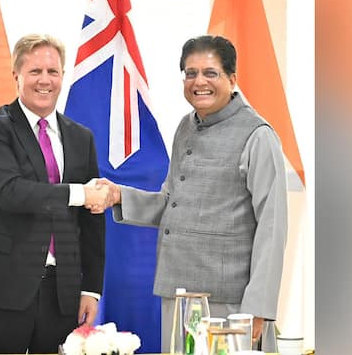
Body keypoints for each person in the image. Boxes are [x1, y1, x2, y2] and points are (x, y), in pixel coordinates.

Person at [95, 35, 288, 351]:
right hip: (177, 293)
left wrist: (259, 307)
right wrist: (119, 195)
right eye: (191, 73)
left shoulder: (258, 135)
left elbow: (273, 226)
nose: (199, 82)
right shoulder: (185, 127)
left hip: (229, 301)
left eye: (211, 73)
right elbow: (172, 204)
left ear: (232, 79)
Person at [0, 33, 111, 354]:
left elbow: (92, 221)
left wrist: (91, 289)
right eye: (35, 71)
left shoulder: (81, 137)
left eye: (52, 72)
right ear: (17, 76)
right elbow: (10, 192)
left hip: (62, 293)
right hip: (1, 287)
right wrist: (80, 194)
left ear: (62, 76)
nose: (45, 80)